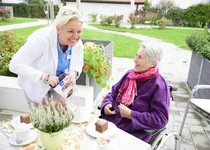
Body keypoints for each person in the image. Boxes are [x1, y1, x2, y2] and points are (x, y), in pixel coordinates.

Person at [9, 6, 83, 105]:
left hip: (60, 90)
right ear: (58, 28)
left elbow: (78, 63)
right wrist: (45, 77)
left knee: (60, 119)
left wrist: (74, 73)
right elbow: (14, 65)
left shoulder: (76, 42)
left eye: (79, 31)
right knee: (42, 119)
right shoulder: (41, 39)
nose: (75, 37)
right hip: (37, 88)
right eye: (70, 31)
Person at [100, 42, 170, 143]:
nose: (134, 60)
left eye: (140, 57)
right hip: (112, 123)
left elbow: (161, 119)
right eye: (136, 55)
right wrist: (106, 104)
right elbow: (113, 93)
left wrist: (131, 114)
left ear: (153, 63)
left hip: (134, 133)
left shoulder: (159, 85)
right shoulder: (130, 74)